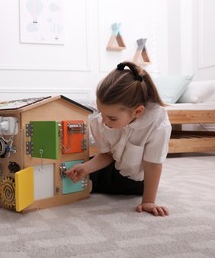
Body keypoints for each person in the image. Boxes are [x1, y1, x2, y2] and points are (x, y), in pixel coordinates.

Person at [66, 61, 171, 217]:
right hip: (113, 166)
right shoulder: (104, 122)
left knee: (89, 183)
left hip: (134, 181)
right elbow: (107, 155)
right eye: (101, 113)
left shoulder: (157, 124)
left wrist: (148, 201)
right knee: (75, 169)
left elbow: (153, 164)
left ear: (138, 111)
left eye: (112, 118)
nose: (105, 121)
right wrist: (86, 167)